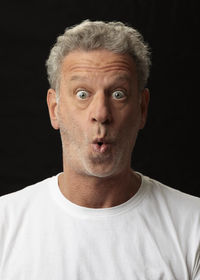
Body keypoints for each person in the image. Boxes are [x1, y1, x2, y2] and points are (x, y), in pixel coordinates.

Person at [0, 20, 199, 279]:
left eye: (118, 94)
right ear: (54, 109)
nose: (101, 114)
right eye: (82, 94)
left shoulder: (193, 226)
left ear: (142, 109)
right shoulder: (5, 224)